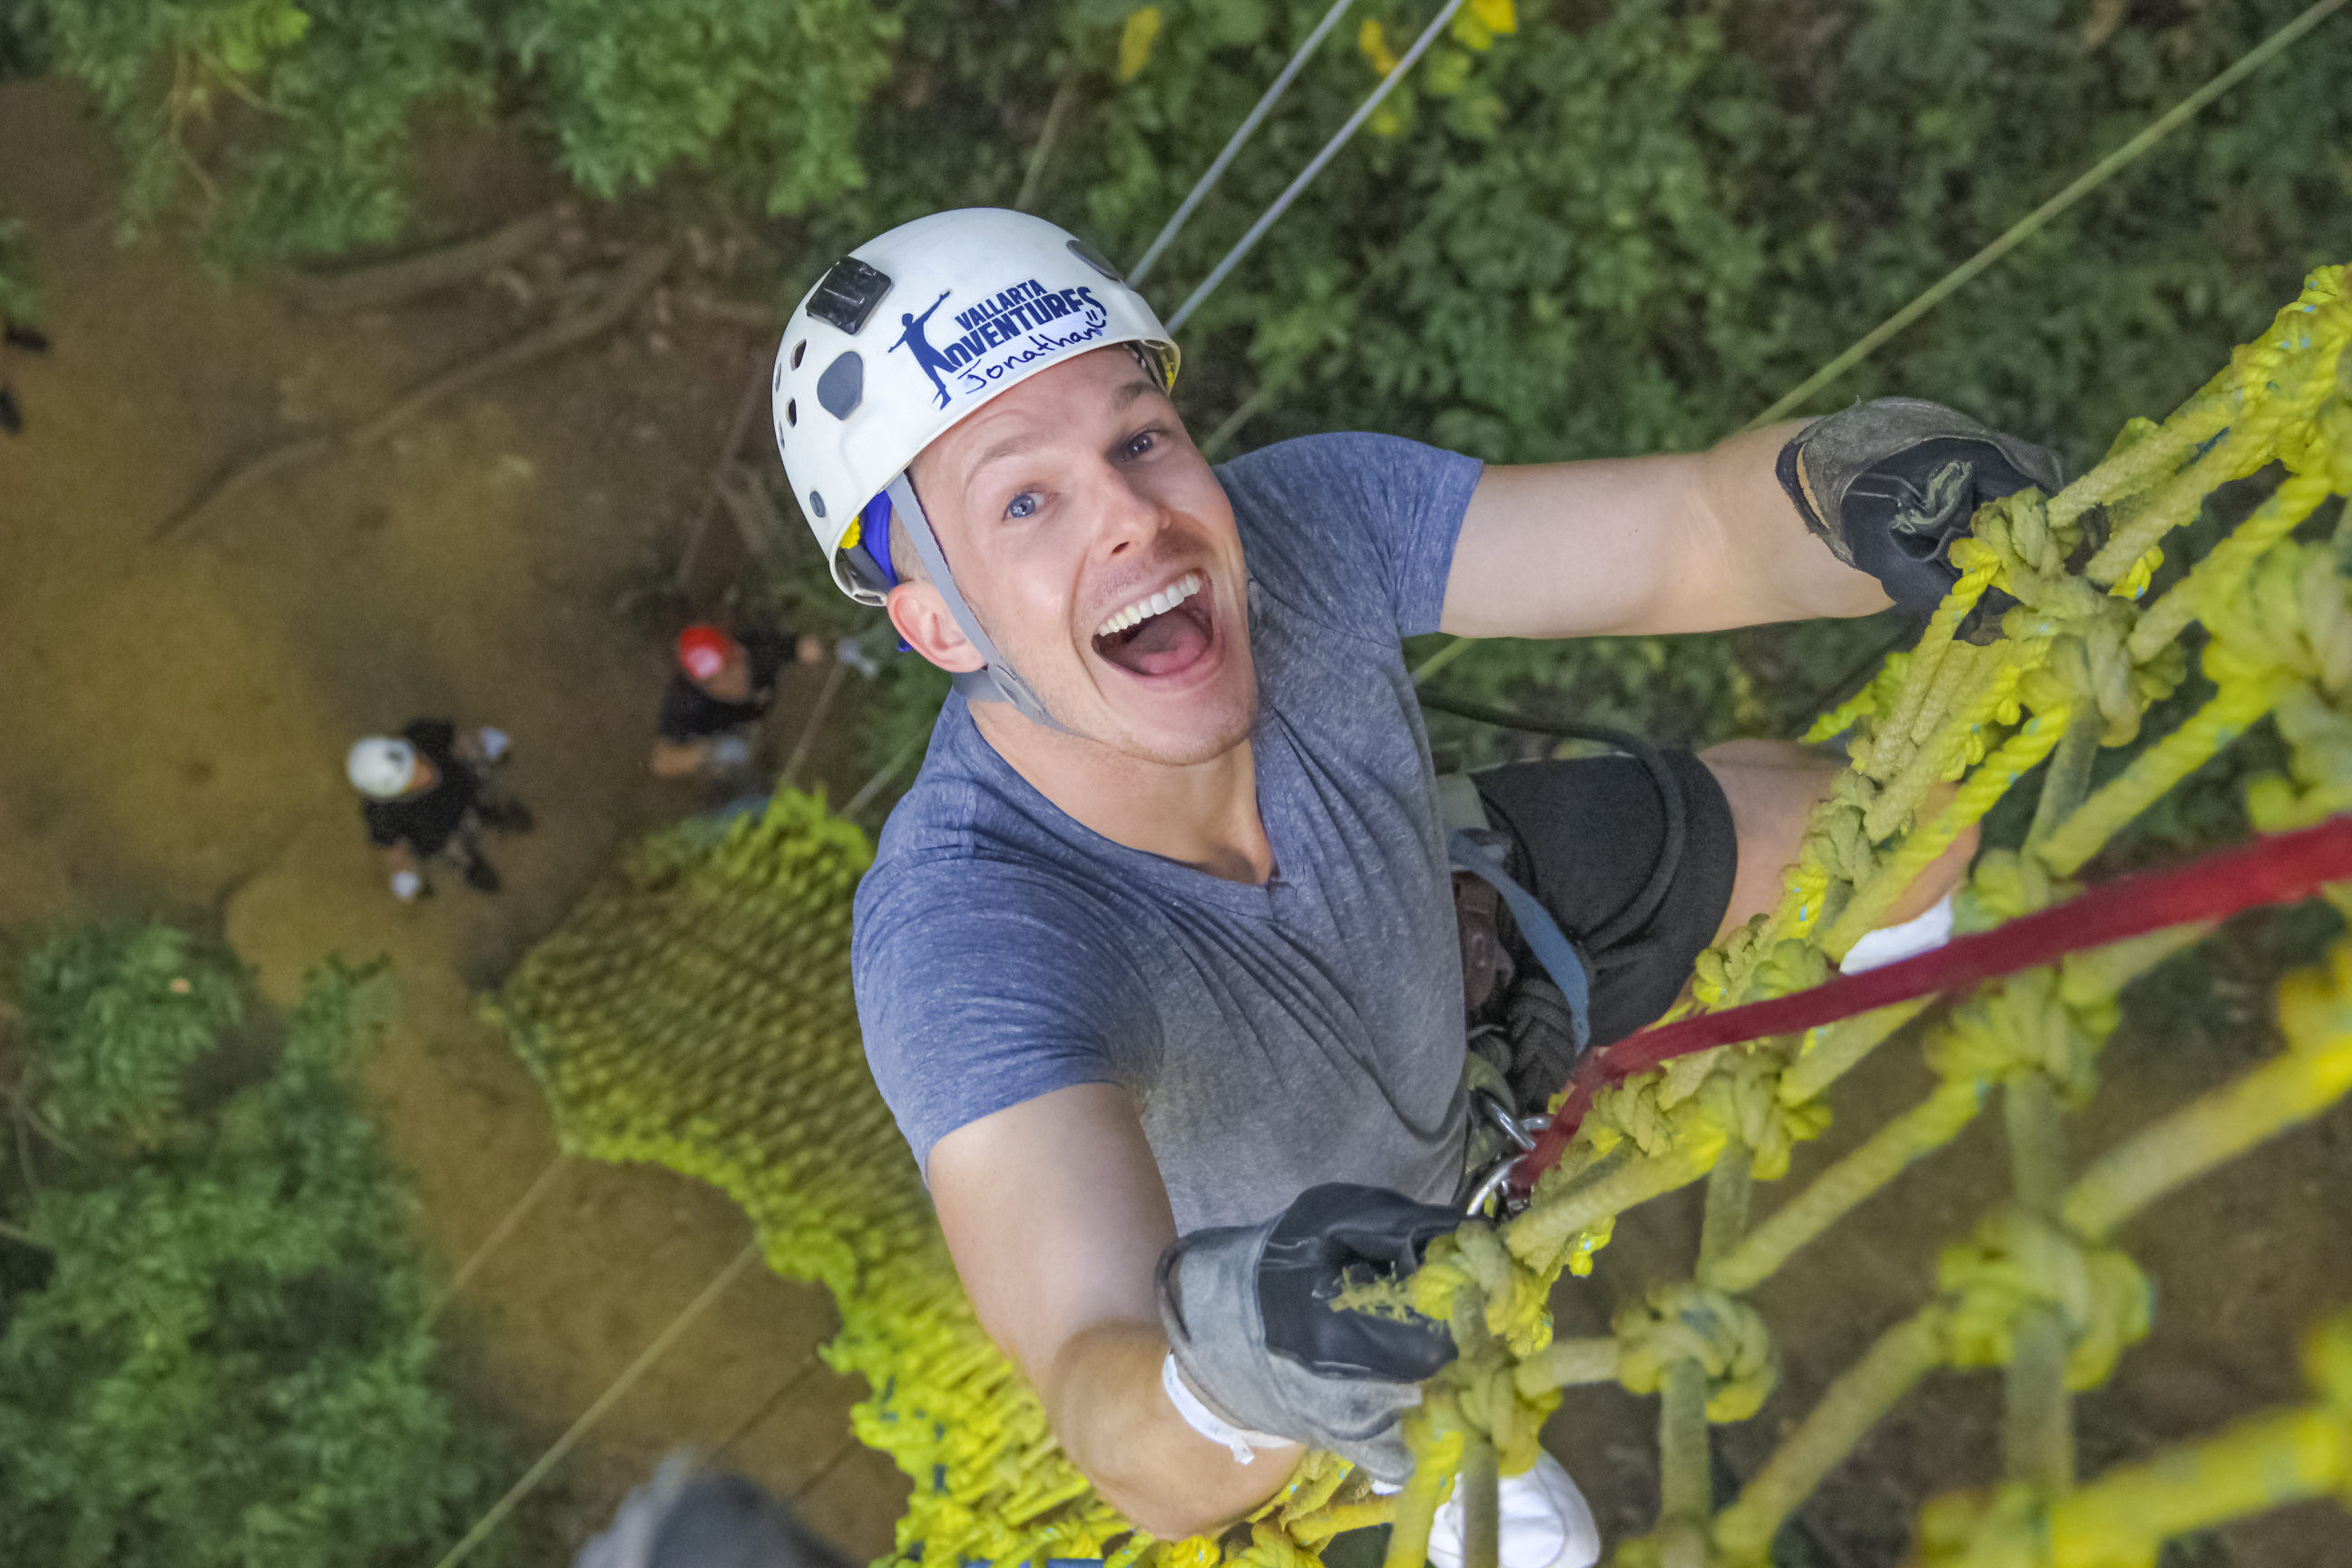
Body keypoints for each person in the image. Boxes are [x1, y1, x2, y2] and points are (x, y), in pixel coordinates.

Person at [769, 210, 2054, 1561]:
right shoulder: (965, 934)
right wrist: (1240, 1366)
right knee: (1526, 1539)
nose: (1136, 522)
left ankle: (1763, 1037)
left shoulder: (1298, 527)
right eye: (1025, 501)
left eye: (1141, 439)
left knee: (1895, 823)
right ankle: (1412, 1452)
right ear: (931, 622)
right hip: (1328, 1296)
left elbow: (1691, 534)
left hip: (1464, 962)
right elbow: (1103, 1377)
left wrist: (1849, 493)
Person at [347, 720, 532, 900]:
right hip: (441, 834)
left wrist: (481, 743)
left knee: (481, 791)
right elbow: (398, 849)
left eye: (415, 758)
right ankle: (470, 864)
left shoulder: (420, 734)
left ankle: (491, 811)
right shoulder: (380, 815)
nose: (425, 771)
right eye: (410, 778)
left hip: (463, 788)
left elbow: (459, 741)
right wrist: (403, 872)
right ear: (387, 793)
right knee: (455, 850)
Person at [649, 623, 813, 782]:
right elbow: (661, 762)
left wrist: (826, 649)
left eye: (729, 668)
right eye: (711, 681)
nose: (724, 683)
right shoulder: (687, 700)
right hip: (726, 751)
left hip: (767, 723)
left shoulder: (760, 649)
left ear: (735, 651)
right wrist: (713, 752)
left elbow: (807, 647)